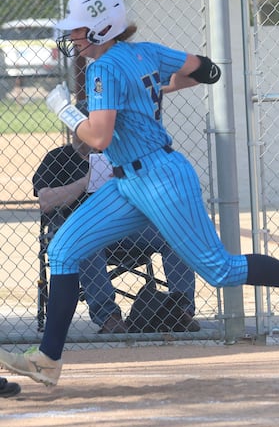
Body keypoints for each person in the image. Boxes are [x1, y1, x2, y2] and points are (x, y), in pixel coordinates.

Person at [0, 0, 279, 387]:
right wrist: (150, 89)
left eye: (80, 30)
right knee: (64, 249)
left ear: (102, 29)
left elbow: (98, 139)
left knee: (220, 270)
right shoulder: (145, 52)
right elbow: (206, 69)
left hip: (159, 177)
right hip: (129, 180)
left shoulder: (104, 69)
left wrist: (63, 108)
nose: (74, 39)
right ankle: (48, 360)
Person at [33, 108, 199, 334]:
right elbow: (46, 201)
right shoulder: (58, 158)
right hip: (80, 231)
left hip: (125, 229)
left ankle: (180, 311)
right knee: (85, 241)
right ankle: (109, 317)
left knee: (177, 235)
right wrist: (85, 182)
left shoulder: (121, 155)